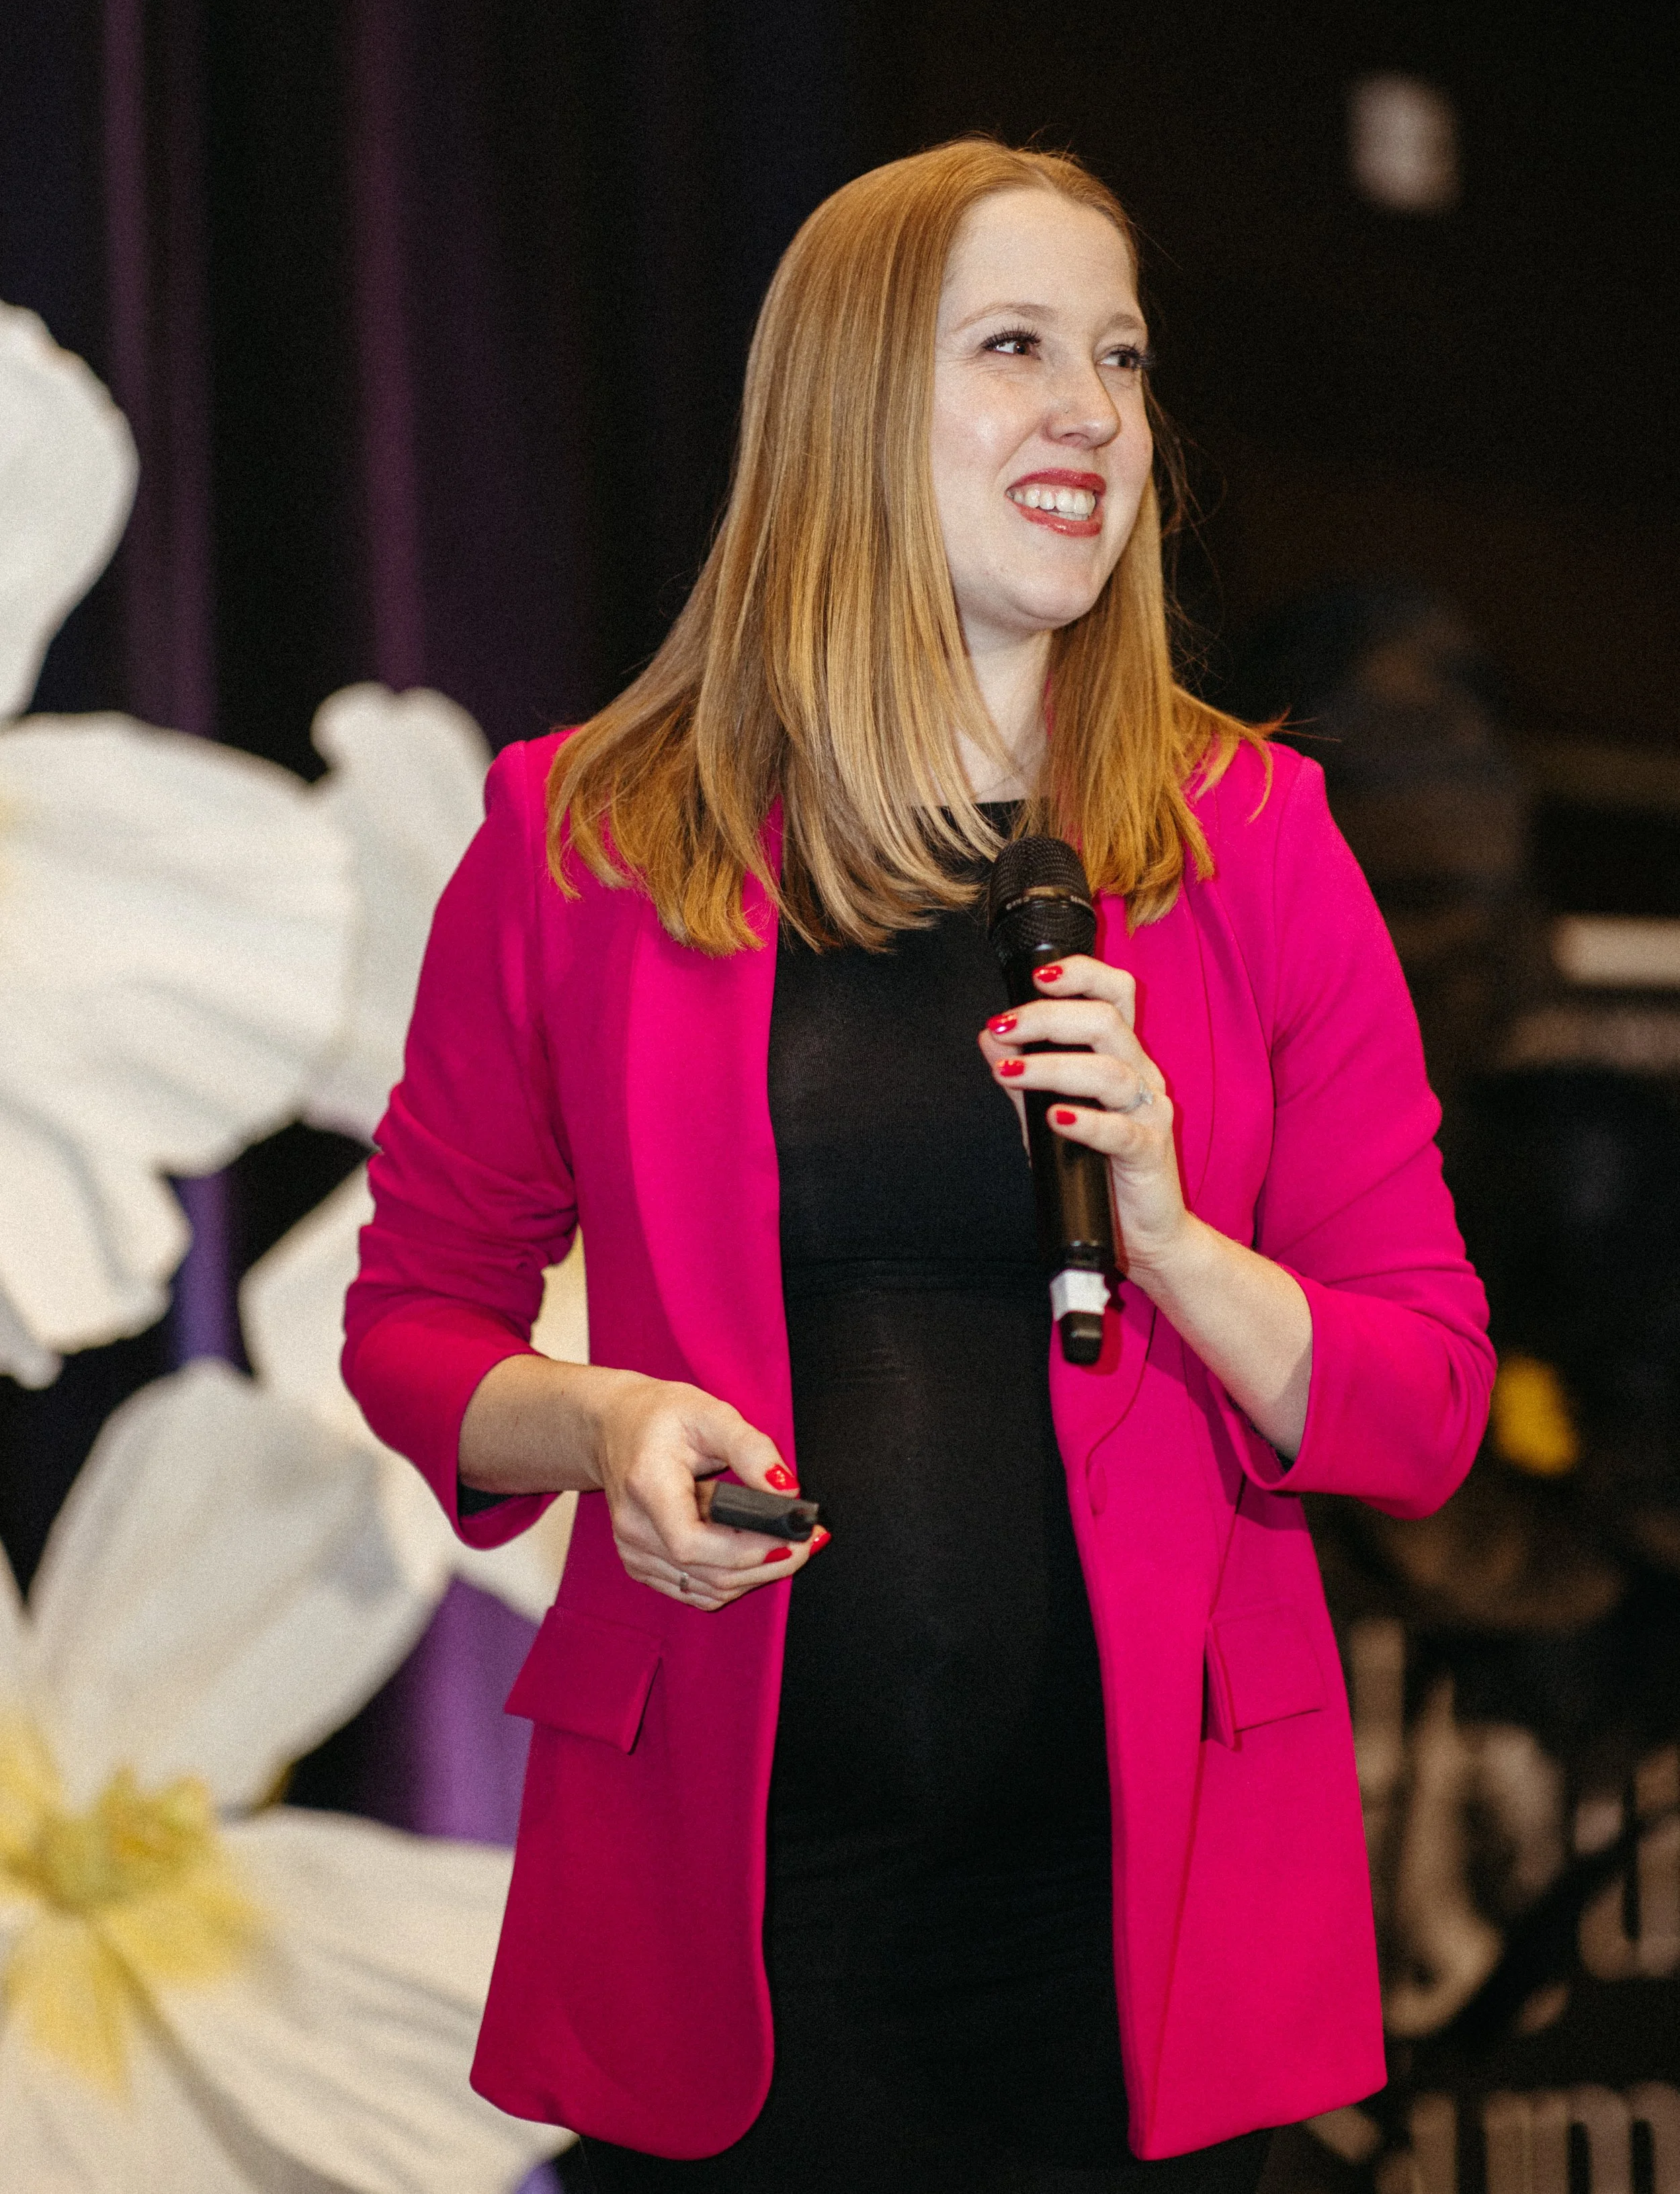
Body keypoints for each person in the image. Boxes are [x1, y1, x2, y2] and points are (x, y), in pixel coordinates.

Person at [343, 138, 1495, 2194]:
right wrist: (603, 1425)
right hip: (748, 1921)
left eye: (1120, 357)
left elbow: (1419, 1402)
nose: (1093, 412)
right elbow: (416, 1325)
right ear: (852, 398)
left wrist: (1175, 1238)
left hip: (1131, 1942)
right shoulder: (581, 839)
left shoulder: (1256, 841)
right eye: (1016, 348)